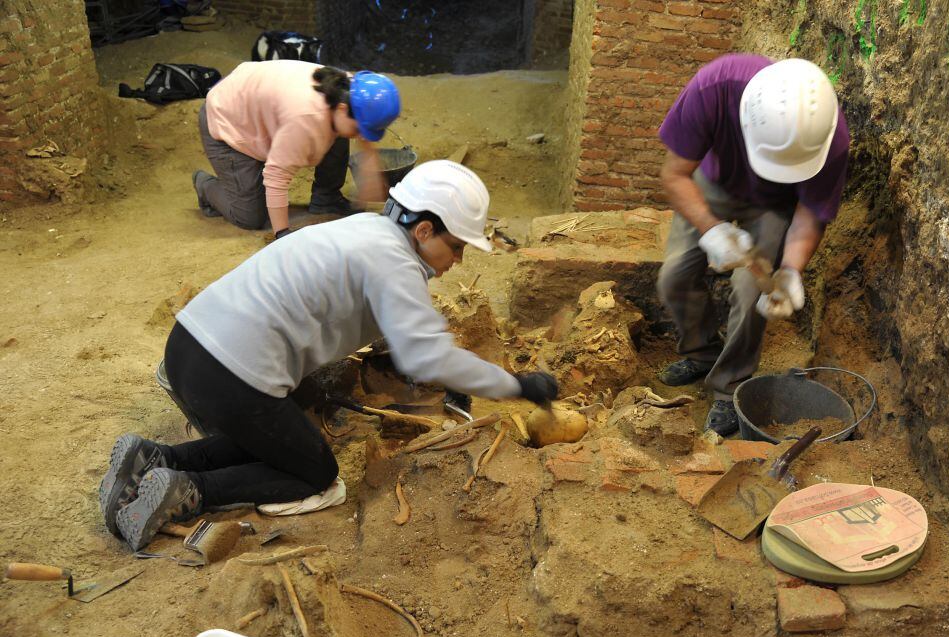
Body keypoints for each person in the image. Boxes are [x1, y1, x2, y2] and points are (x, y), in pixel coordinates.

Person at [101, 160, 559, 550]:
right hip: (231, 376)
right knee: (317, 474)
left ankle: (156, 459)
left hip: (187, 348)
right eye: (456, 246)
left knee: (275, 431)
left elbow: (380, 324)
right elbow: (427, 358)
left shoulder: (364, 229)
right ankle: (189, 489)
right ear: (423, 229)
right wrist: (517, 386)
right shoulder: (396, 265)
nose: (457, 260)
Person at [655, 55, 850, 436]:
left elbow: (809, 216)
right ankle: (700, 353)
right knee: (674, 277)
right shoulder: (714, 86)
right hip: (713, 185)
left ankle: (729, 388)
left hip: (776, 205)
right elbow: (674, 174)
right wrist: (711, 230)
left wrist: (791, 270)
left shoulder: (830, 137)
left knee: (752, 296)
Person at [192, 60, 400, 239]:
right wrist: (282, 234)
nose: (361, 135)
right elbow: (276, 175)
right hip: (228, 117)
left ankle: (326, 198)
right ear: (343, 109)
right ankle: (204, 185)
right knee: (250, 216)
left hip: (258, 103)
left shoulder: (348, 91)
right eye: (361, 128)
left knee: (340, 129)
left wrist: (369, 175)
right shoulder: (306, 119)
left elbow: (357, 130)